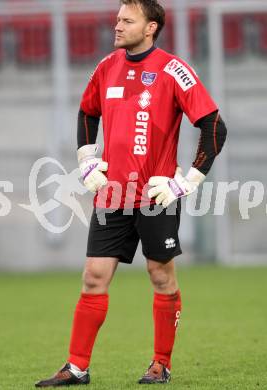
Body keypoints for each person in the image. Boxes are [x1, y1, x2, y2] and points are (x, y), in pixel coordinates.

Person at [35, 0, 227, 387]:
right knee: (93, 276)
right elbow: (87, 113)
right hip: (111, 195)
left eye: (127, 20)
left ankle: (161, 363)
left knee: (160, 275)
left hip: (156, 196)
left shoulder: (174, 69)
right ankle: (76, 367)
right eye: (117, 18)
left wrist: (185, 182)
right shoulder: (106, 67)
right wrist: (87, 158)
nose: (117, 25)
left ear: (151, 27)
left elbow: (214, 127)